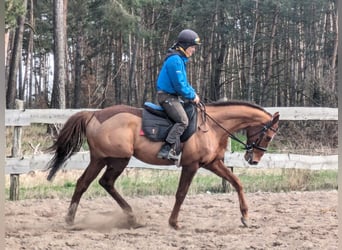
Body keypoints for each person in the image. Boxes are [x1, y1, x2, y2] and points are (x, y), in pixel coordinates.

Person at [156, 29, 201, 161]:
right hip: (167, 97)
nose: (194, 50)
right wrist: (192, 96)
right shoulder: (175, 60)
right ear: (185, 46)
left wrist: (193, 93)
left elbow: (184, 83)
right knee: (183, 121)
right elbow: (179, 85)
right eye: (192, 47)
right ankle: (166, 148)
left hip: (173, 97)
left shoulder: (179, 60)